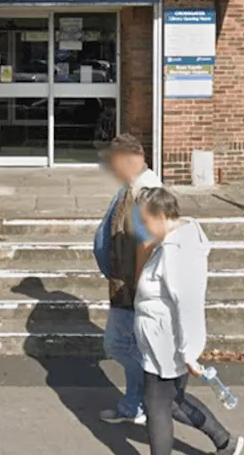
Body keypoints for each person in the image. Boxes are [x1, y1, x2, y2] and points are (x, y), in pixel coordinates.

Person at [135, 186, 244, 455]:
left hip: (167, 344)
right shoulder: (178, 238)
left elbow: (187, 303)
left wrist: (189, 352)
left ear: (161, 216)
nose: (142, 227)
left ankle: (224, 442)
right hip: (164, 340)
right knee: (172, 402)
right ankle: (225, 442)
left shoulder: (177, 252)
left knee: (156, 405)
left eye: (145, 220)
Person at [92, 133, 161, 425]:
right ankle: (139, 403)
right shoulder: (133, 185)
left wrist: (140, 284)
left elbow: (147, 240)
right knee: (126, 344)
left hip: (132, 284)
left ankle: (149, 399)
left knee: (118, 345)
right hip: (123, 281)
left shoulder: (145, 189)